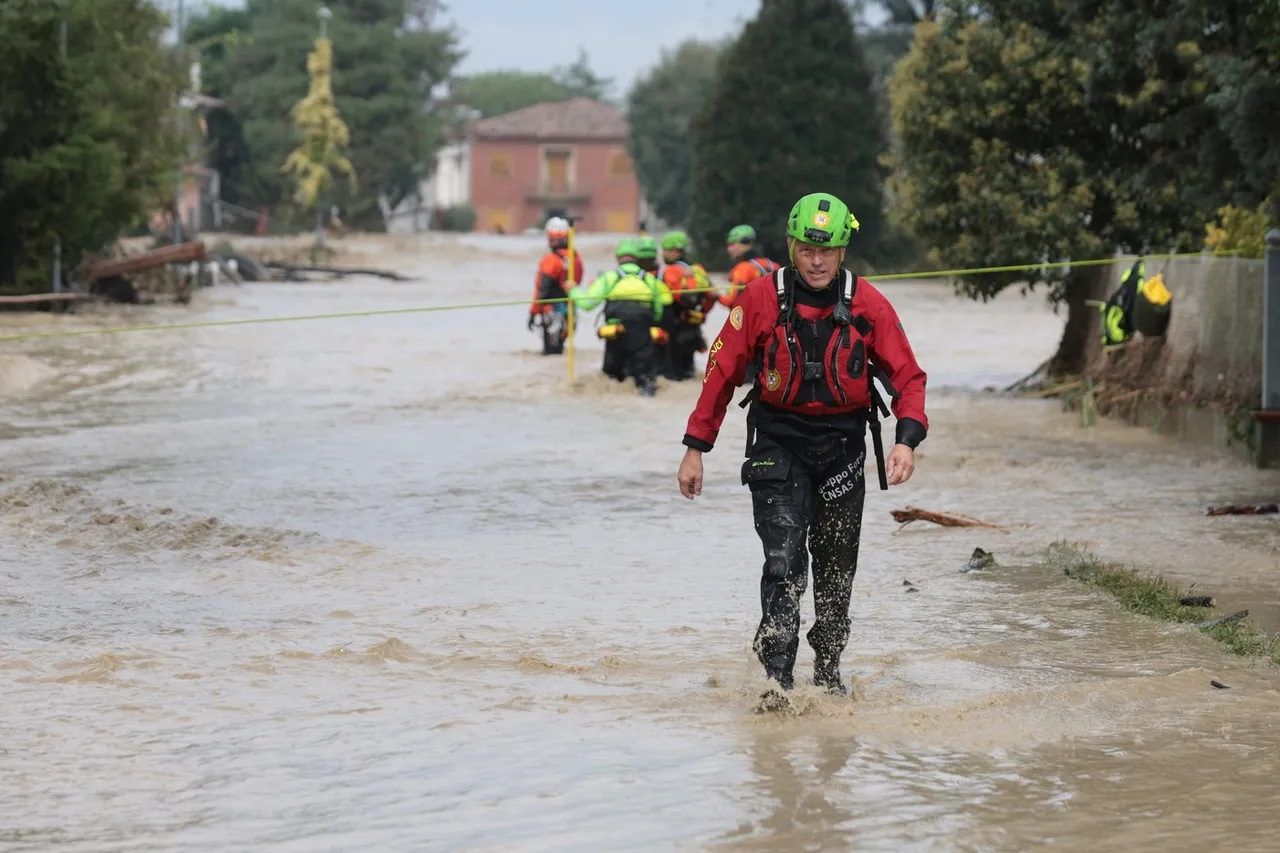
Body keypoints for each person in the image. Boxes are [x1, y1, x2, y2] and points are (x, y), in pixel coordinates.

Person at [675, 192, 929, 710]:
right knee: (784, 562)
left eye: (828, 250)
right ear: (792, 246)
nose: (817, 261)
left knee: (836, 574)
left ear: (842, 252)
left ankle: (829, 673)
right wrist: (695, 447)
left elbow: (909, 378)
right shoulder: (759, 299)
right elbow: (720, 374)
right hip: (778, 444)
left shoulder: (870, 305)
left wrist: (906, 441)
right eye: (808, 249)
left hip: (843, 449)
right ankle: (776, 684)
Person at [570, 238, 673, 397]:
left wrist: (573, 290)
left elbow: (586, 304)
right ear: (637, 259)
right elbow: (665, 303)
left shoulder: (609, 278)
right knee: (646, 383)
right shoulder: (650, 280)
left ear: (618, 258)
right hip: (643, 339)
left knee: (612, 383)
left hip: (616, 337)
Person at [659, 230, 717, 381]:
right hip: (693, 328)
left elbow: (665, 299)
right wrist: (702, 313)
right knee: (688, 373)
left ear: (673, 251)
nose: (662, 255)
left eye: (664, 251)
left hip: (674, 330)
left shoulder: (669, 271)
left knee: (672, 376)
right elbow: (712, 296)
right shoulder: (698, 270)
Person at [527, 216, 585, 354]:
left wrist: (533, 313)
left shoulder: (551, 260)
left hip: (552, 313)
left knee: (550, 352)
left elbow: (543, 290)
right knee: (559, 350)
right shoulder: (575, 258)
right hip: (570, 311)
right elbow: (577, 281)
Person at [719, 224, 781, 308]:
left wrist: (715, 296)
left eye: (732, 244)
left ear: (744, 243)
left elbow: (733, 302)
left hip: (754, 318)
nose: (728, 249)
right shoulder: (773, 265)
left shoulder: (743, 268)